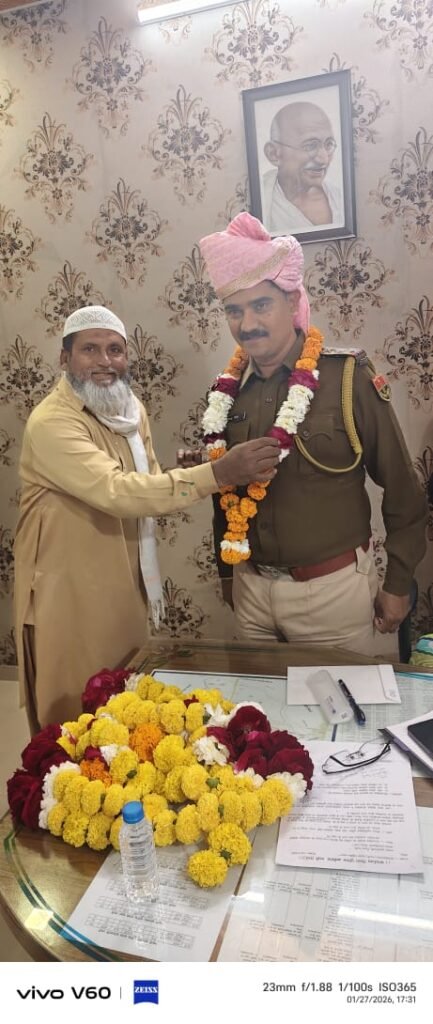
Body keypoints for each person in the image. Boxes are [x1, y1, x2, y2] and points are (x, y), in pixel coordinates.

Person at [14, 305, 280, 731]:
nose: (105, 361)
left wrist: (194, 469)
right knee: (74, 710)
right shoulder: (52, 422)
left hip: (123, 578)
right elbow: (117, 491)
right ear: (65, 359)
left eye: (115, 350)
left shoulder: (129, 408)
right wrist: (217, 474)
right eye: (90, 349)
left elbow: (145, 481)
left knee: (122, 697)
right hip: (67, 588)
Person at [199, 213, 427, 656]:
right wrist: (227, 574)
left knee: (340, 703)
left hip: (332, 594)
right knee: (260, 703)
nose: (247, 323)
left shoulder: (346, 377)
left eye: (260, 305)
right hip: (250, 591)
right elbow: (221, 491)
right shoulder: (225, 393)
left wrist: (398, 583)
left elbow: (403, 489)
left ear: (291, 301)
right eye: (234, 310)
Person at [262, 101, 344, 234]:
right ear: (274, 154)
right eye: (310, 145)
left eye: (329, 144)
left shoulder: (339, 198)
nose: (324, 159)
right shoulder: (262, 199)